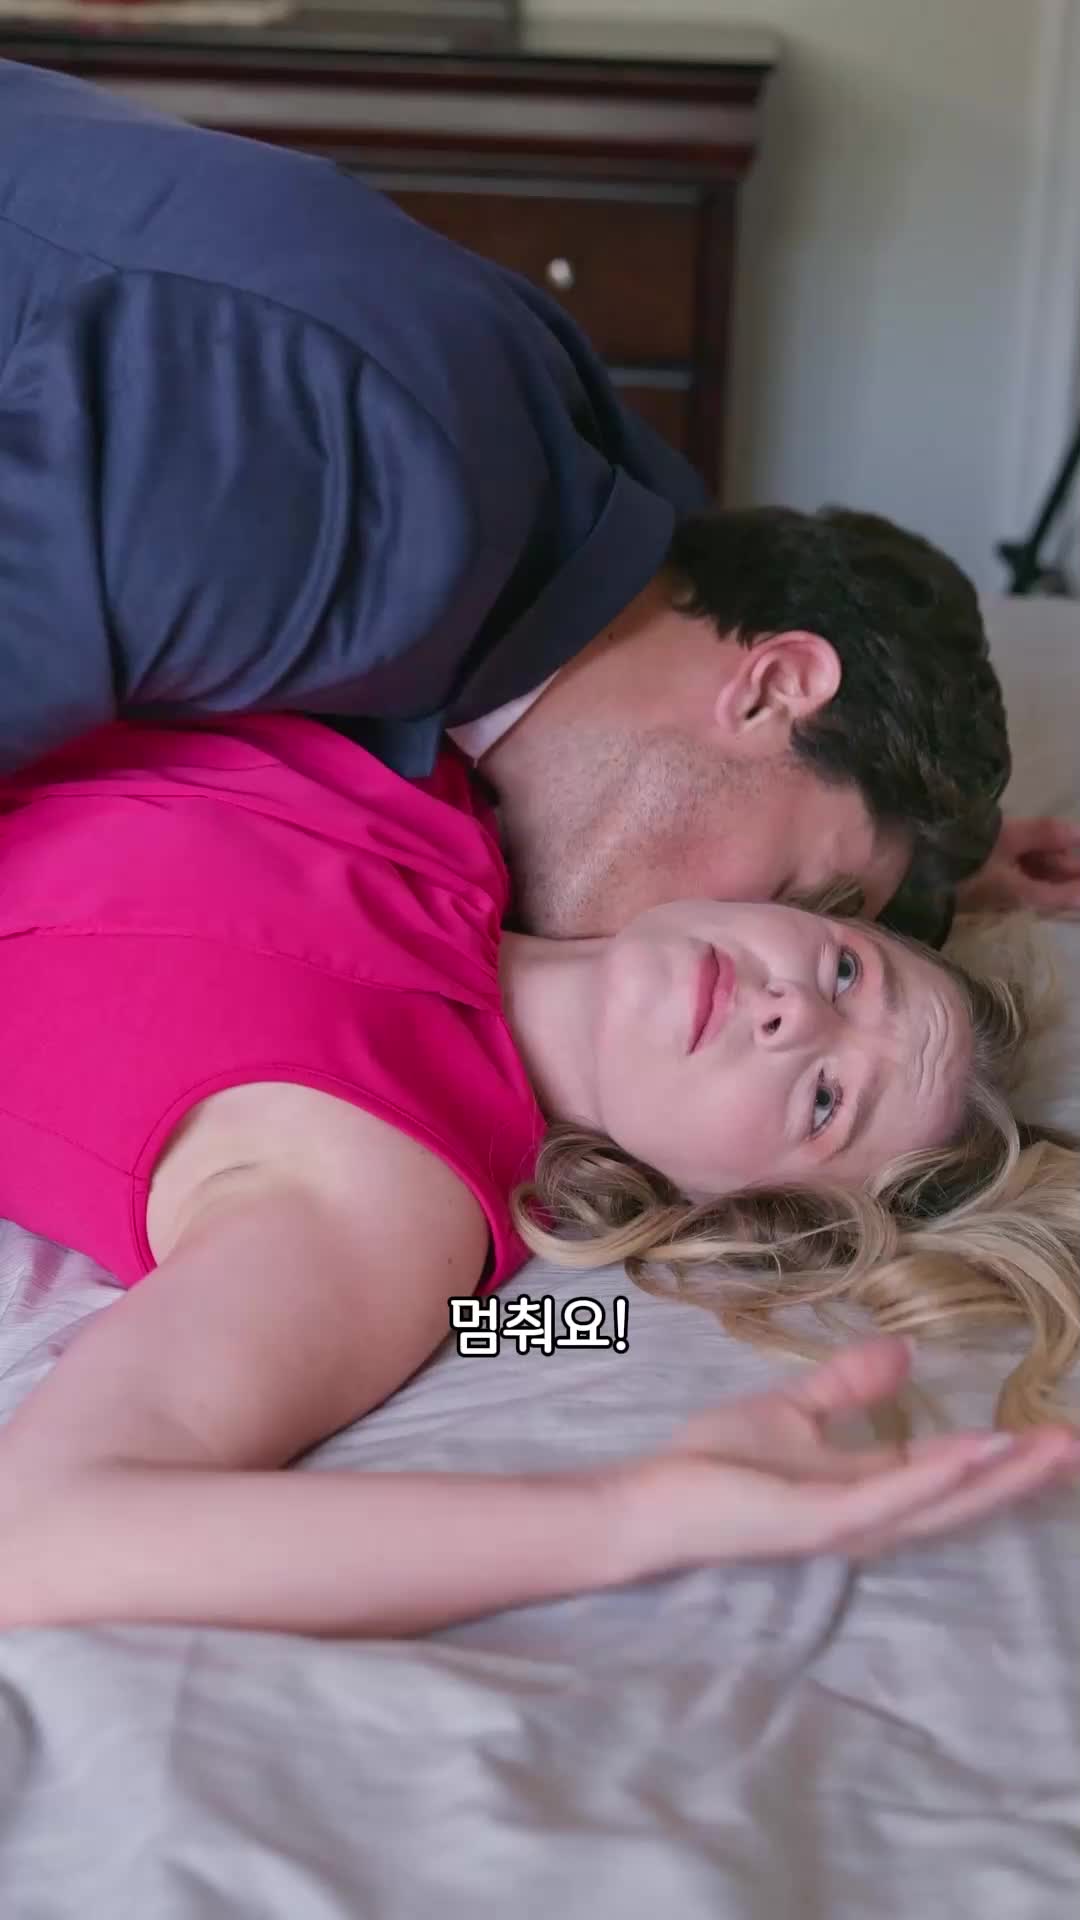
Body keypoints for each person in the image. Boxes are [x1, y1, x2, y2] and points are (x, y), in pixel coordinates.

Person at [0, 712, 1077, 1638]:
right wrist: (951, 858)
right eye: (846, 969)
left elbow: (40, 1533)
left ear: (742, 1210)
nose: (793, 1010)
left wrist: (635, 1515)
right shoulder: (471, 798)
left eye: (825, 1101)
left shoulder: (389, 1203)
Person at [2, 60, 1079, 947]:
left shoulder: (597, 523)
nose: (769, 963)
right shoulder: (369, 506)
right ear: (773, 685)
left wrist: (943, 866)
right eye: (798, 902)